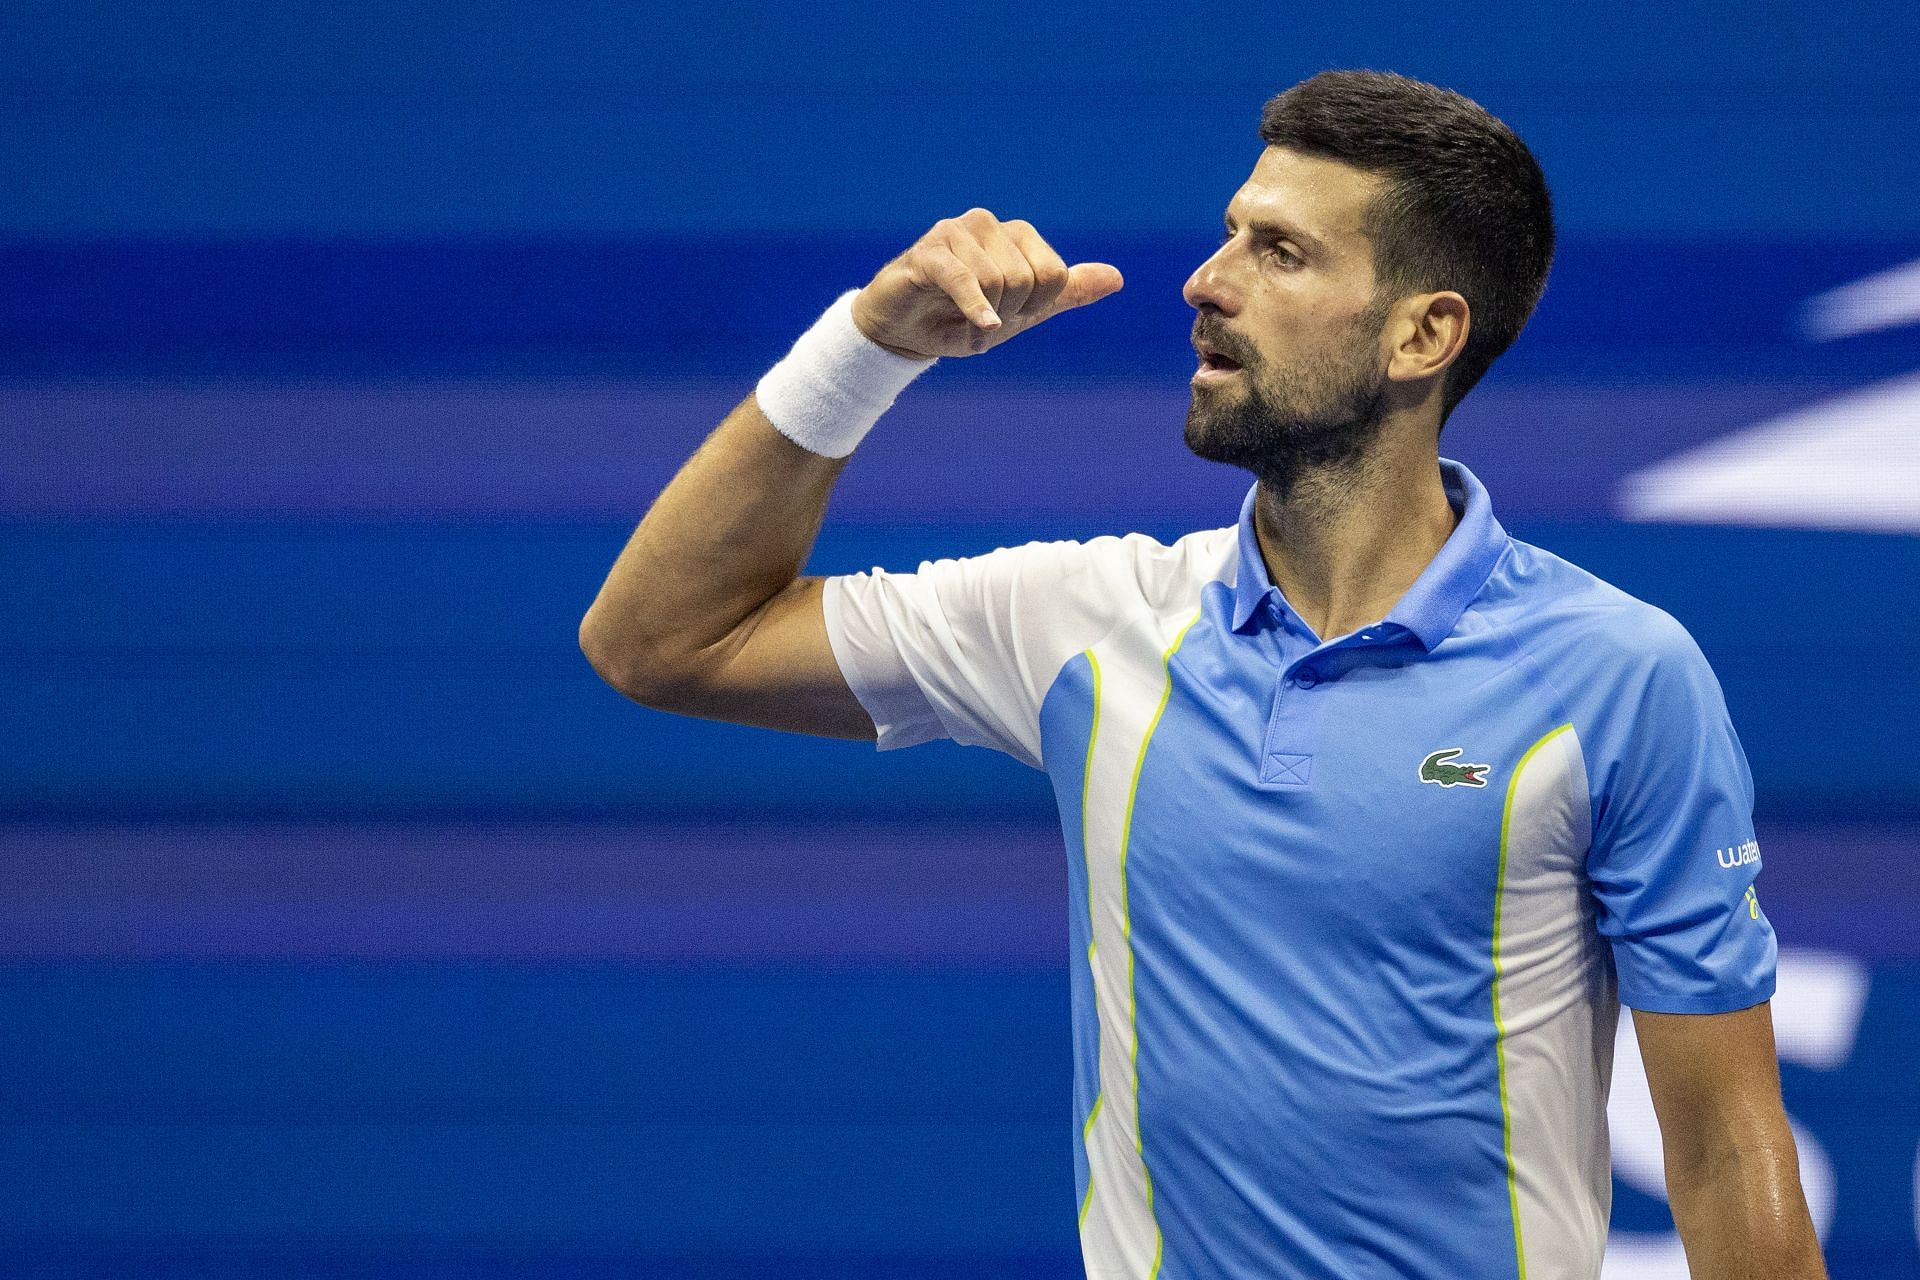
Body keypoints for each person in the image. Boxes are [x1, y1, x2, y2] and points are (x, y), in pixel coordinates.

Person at [580, 69, 1825, 1280]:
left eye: (1280, 254)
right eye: (1229, 234)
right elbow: (661, 639)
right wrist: (869, 346)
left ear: (1424, 332)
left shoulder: (1621, 675)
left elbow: (1723, 1147)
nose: (1206, 282)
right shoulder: (1081, 619)